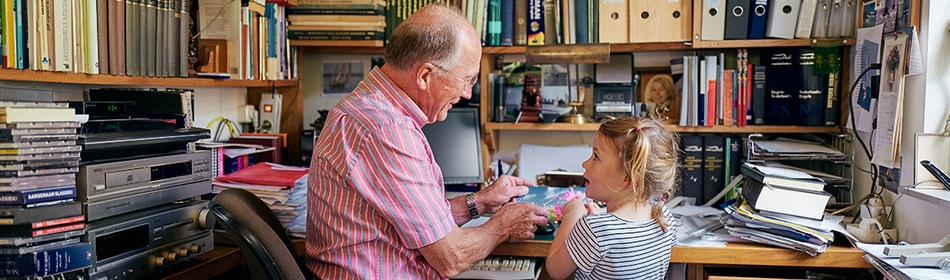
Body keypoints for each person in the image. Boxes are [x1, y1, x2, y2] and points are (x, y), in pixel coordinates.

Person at [305, 4, 550, 279]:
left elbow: (418, 224)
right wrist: (503, 225)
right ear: (425, 76)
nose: (468, 93)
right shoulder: (388, 130)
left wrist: (479, 203)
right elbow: (451, 257)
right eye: (466, 80)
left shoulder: (366, 108)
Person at [545, 117, 680, 279]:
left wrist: (572, 216)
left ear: (627, 178)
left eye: (596, 156)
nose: (585, 164)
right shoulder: (664, 217)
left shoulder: (593, 229)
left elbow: (555, 270)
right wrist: (599, 220)